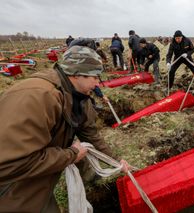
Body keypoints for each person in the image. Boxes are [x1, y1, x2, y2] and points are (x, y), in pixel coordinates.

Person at [0, 46, 130, 212]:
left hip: (38, 184)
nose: (98, 83)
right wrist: (71, 154)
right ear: (76, 74)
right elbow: (11, 164)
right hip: (10, 191)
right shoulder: (38, 98)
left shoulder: (77, 96)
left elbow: (90, 133)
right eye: (95, 77)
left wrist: (116, 161)